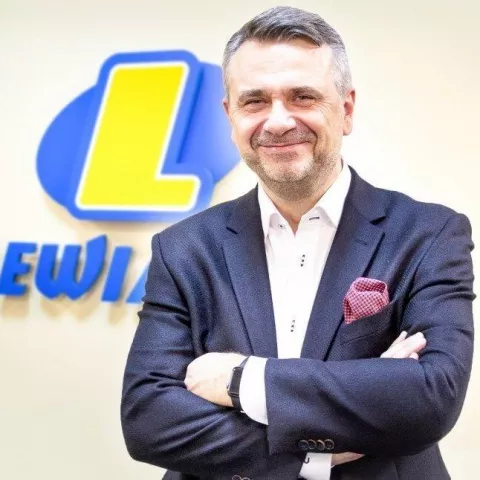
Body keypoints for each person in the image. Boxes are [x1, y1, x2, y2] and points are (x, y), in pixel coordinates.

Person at [121, 6, 475, 480]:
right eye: (254, 101)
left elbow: (431, 397)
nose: (278, 121)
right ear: (230, 116)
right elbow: (148, 420)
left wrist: (240, 380)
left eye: (302, 96)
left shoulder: (429, 234)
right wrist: (315, 452)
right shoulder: (183, 249)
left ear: (345, 110)